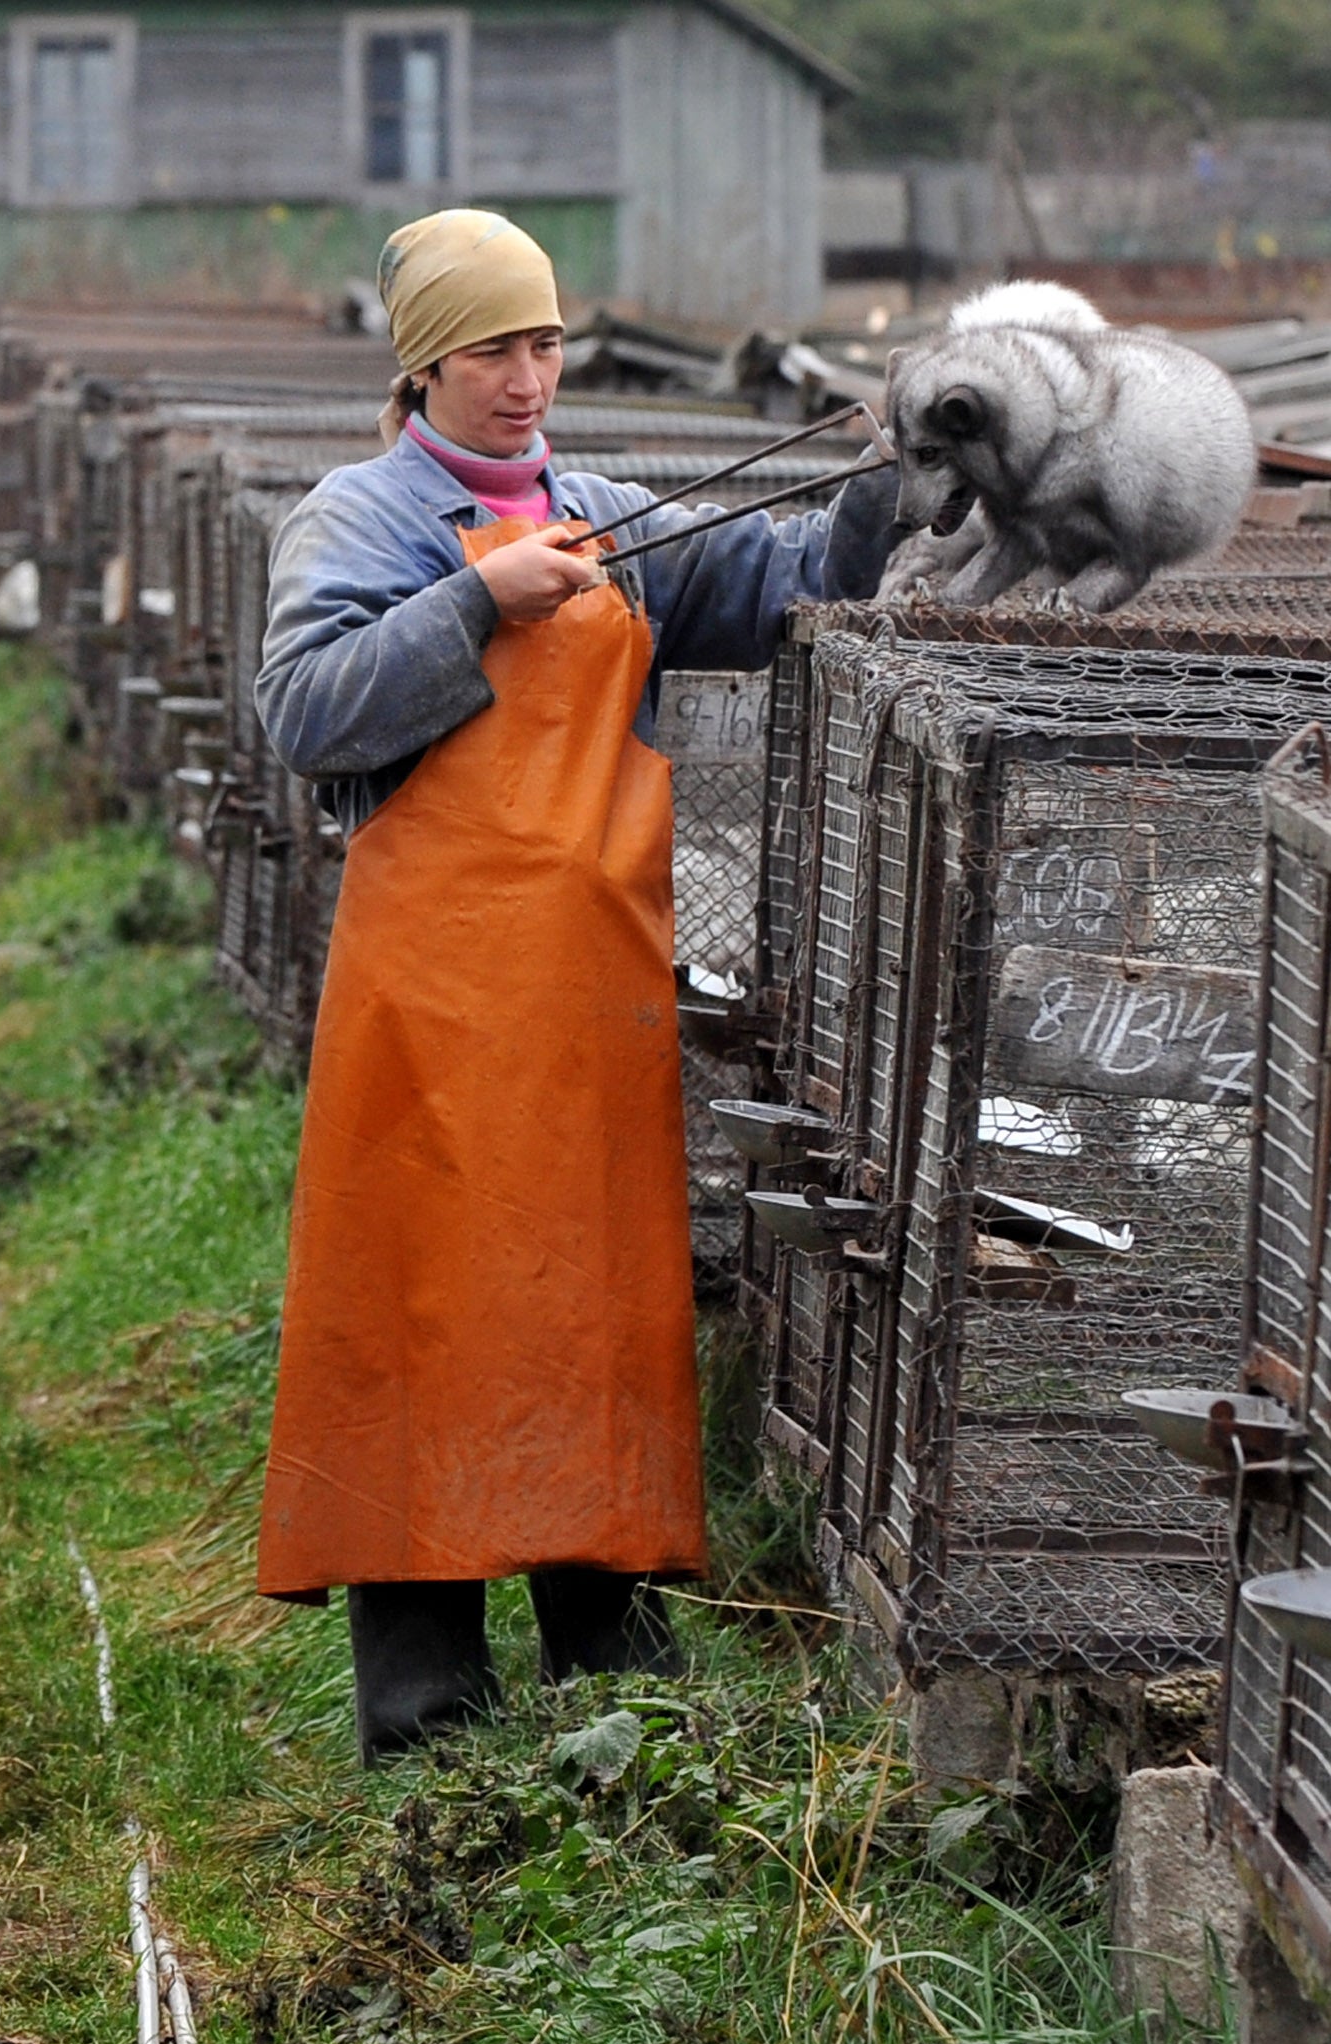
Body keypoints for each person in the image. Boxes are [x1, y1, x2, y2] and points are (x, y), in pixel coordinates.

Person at [253, 210, 895, 1760]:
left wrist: (895, 475)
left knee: (588, 1317)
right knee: (426, 1321)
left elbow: (799, 585)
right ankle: (424, 1718)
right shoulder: (361, 521)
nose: (528, 377)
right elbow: (304, 712)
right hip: (431, 1010)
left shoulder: (611, 510)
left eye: (545, 344)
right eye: (494, 350)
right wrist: (478, 602)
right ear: (425, 364)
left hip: (588, 1002)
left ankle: (616, 1690)